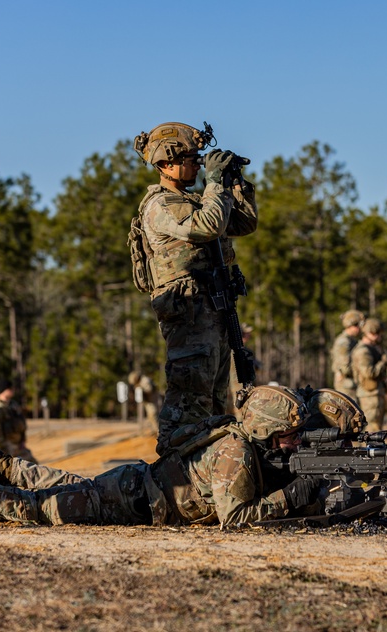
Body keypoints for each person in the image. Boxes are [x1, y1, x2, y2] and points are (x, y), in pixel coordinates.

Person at [0, 385, 321, 529]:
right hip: (130, 499)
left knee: (62, 485)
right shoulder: (236, 452)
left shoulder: (241, 439)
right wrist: (294, 495)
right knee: (33, 509)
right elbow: (235, 518)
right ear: (267, 429)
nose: (294, 442)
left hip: (134, 489)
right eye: (289, 435)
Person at [133, 121, 258, 456]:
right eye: (190, 157)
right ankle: (174, 475)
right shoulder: (161, 205)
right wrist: (214, 183)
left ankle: (208, 477)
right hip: (189, 322)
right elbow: (207, 226)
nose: (197, 163)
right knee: (190, 403)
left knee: (217, 408)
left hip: (212, 315)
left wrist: (234, 184)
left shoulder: (193, 200)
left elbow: (244, 223)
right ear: (166, 163)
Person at [350, 318, 387, 433]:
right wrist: (383, 362)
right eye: (376, 333)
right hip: (370, 396)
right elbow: (369, 373)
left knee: (376, 429)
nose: (379, 337)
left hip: (375, 394)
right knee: (372, 431)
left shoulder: (373, 349)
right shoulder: (363, 351)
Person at [0, 380, 36, 463]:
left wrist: (22, 441)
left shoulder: (14, 405)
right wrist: (2, 448)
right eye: (10, 388)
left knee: (33, 465)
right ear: (3, 390)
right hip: (5, 447)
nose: (12, 390)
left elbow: (21, 424)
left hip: (18, 445)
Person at [330, 310, 364, 399]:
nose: (359, 329)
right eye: (356, 325)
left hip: (351, 384)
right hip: (346, 386)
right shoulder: (344, 342)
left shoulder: (352, 341)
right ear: (350, 325)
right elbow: (345, 368)